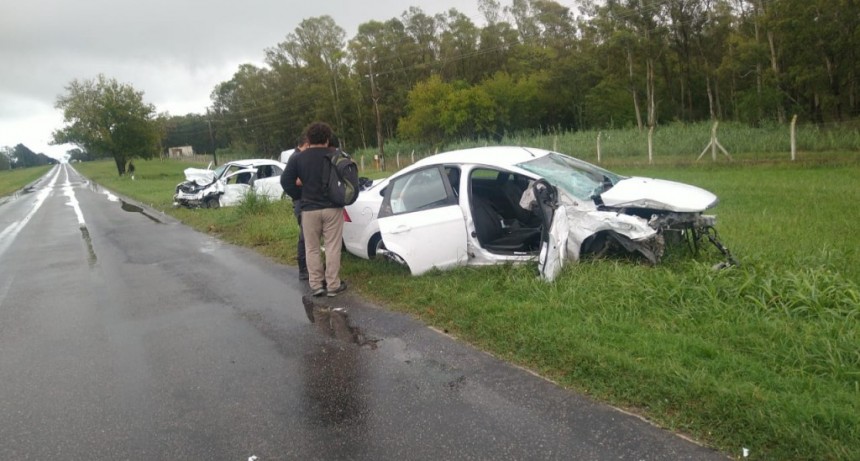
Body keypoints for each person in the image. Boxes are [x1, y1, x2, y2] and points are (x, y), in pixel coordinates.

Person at [283, 122, 347, 298]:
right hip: (332, 207)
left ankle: (316, 285)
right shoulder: (335, 155)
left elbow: (285, 181)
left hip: (309, 208)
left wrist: (299, 195)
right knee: (333, 246)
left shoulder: (298, 158)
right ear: (327, 139)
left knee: (312, 248)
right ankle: (333, 285)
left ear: (309, 139)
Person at [281, 136, 309, 280]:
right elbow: (286, 181)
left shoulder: (296, 156)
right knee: (305, 236)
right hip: (301, 202)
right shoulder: (297, 158)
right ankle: (304, 269)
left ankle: (308, 266)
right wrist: (298, 195)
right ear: (306, 145)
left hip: (302, 201)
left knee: (307, 235)